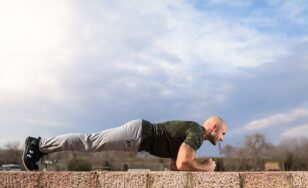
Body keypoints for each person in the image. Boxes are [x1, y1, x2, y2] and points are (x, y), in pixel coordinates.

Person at [22, 115, 227, 171]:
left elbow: (176, 166)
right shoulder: (197, 133)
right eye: (223, 133)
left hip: (139, 134)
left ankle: (40, 146)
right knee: (89, 142)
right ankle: (38, 144)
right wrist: (205, 169)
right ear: (213, 128)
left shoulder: (192, 135)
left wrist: (195, 165)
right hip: (138, 134)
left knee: (90, 142)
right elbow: (183, 164)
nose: (222, 138)